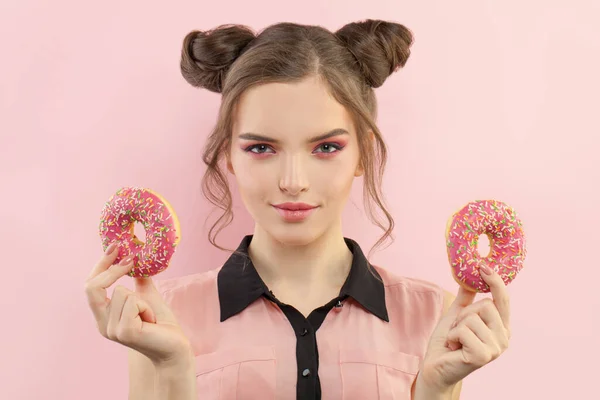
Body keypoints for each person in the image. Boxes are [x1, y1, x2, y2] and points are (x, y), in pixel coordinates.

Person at [85, 20, 512, 400]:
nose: (293, 179)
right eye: (261, 148)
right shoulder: (160, 319)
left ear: (363, 153)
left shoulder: (432, 315)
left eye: (326, 147)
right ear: (228, 157)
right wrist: (174, 370)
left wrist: (435, 391)